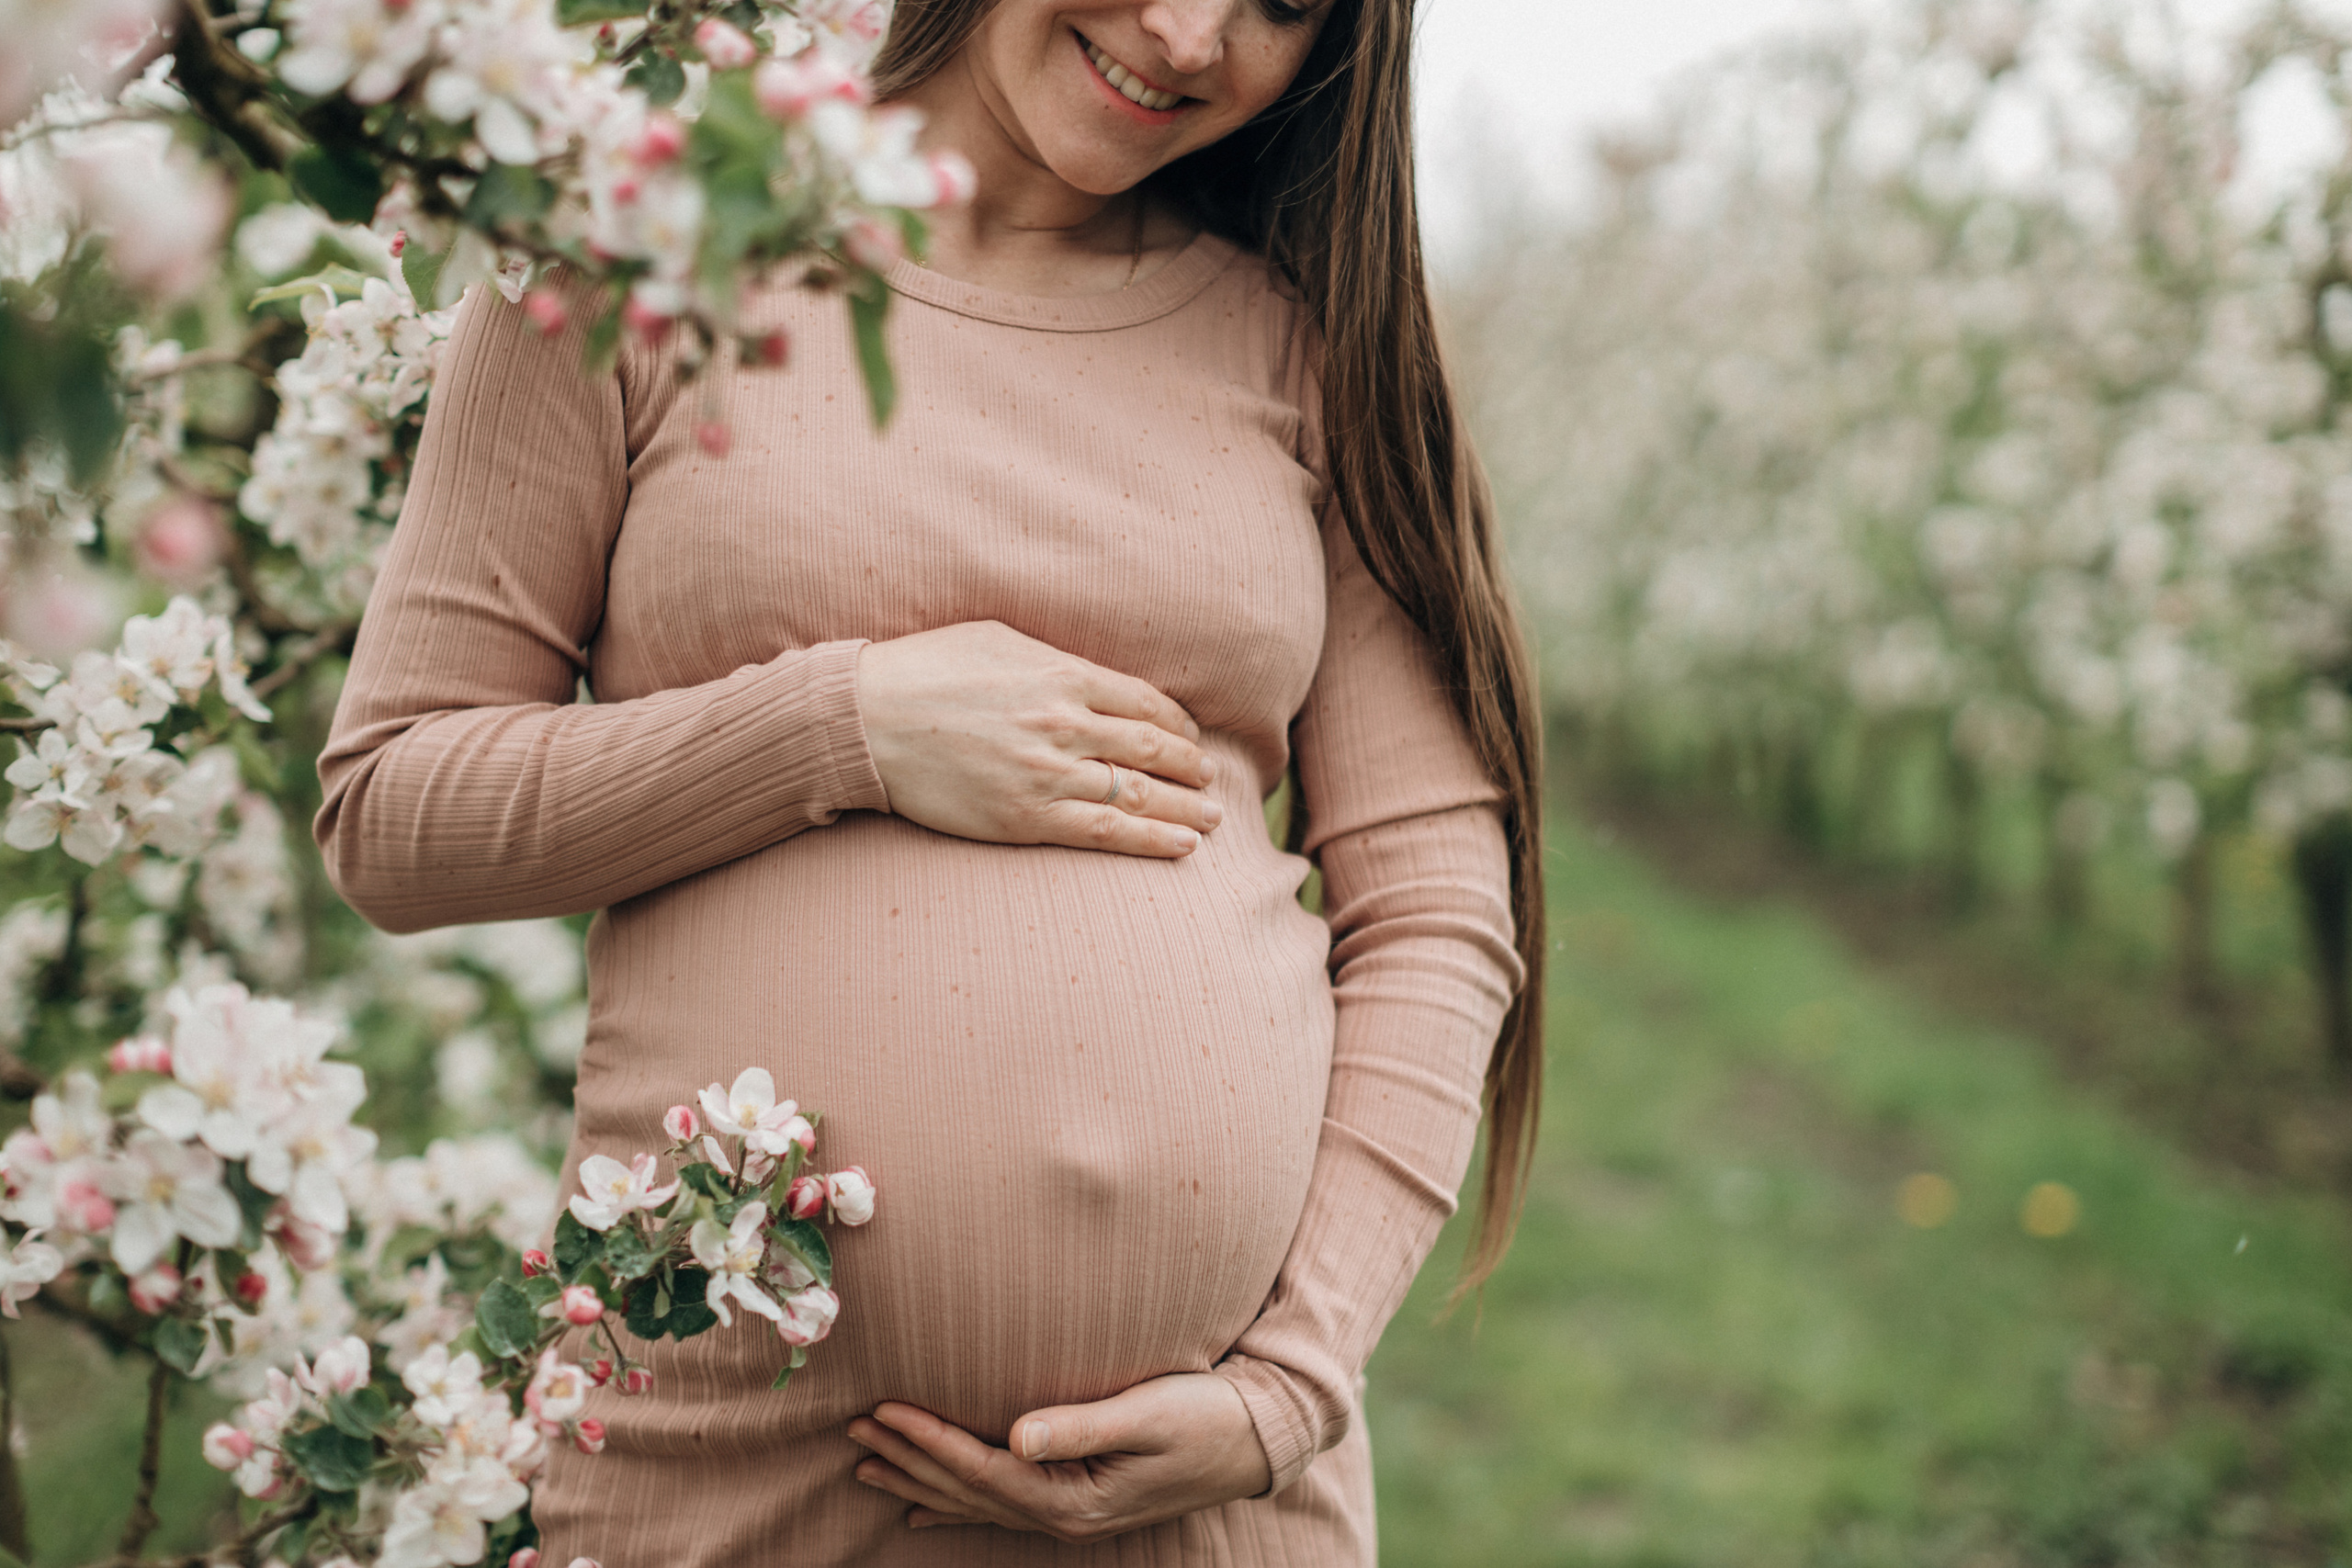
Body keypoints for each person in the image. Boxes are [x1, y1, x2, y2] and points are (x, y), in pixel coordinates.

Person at [313, 0, 1545, 1561]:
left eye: (1279, 4)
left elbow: (1435, 903)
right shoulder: (635, 250)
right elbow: (396, 811)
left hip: (1209, 1515)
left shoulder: (1308, 344)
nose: (1185, 36)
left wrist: (1283, 1397)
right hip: (727, 1480)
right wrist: (841, 730)